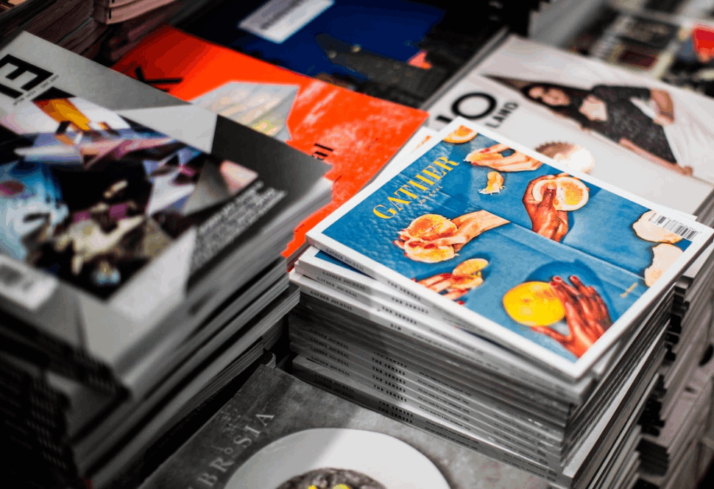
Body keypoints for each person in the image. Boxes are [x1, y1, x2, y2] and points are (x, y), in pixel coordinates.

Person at [516, 81, 693, 175]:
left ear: (555, 85)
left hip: (679, 136)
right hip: (670, 155)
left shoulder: (600, 92)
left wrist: (667, 113)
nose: (549, 98)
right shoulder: (584, 122)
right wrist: (672, 167)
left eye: (546, 91)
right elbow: (629, 145)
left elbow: (656, 92)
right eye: (541, 99)